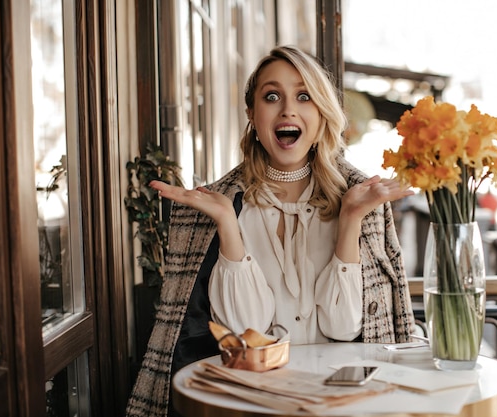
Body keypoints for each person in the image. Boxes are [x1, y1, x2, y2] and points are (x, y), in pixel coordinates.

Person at [125, 45, 417, 417]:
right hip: (249, 403)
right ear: (252, 113)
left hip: (341, 405)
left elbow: (343, 326)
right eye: (272, 96)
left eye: (304, 96)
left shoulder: (361, 202)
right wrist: (228, 226)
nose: (288, 110)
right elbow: (244, 329)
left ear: (321, 112)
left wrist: (350, 222)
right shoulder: (218, 207)